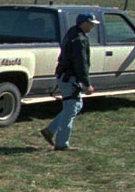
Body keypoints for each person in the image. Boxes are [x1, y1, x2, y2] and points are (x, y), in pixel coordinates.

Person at [42, 12, 98, 151]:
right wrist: (87, 84)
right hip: (70, 78)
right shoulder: (79, 40)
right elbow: (81, 64)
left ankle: (50, 130)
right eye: (91, 23)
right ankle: (61, 144)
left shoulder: (72, 34)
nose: (92, 26)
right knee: (71, 108)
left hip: (65, 76)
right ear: (84, 23)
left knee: (75, 106)